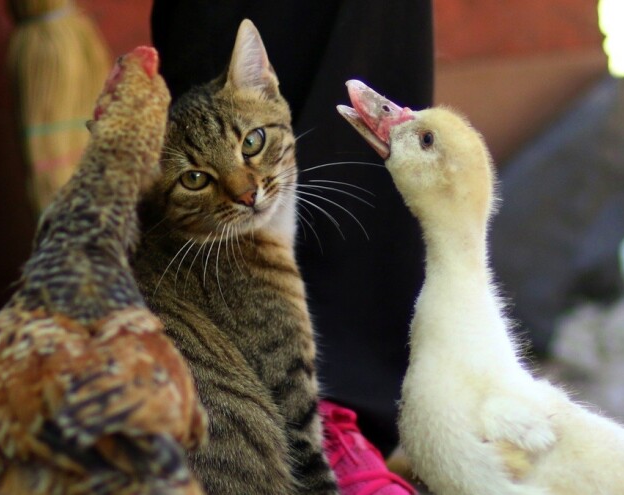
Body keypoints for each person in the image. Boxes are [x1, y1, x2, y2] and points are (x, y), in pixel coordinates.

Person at [150, 1, 432, 493]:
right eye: (197, 178)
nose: (244, 190)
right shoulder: (218, 273)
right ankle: (344, 431)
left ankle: (346, 423)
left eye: (252, 144)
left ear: (265, 86)